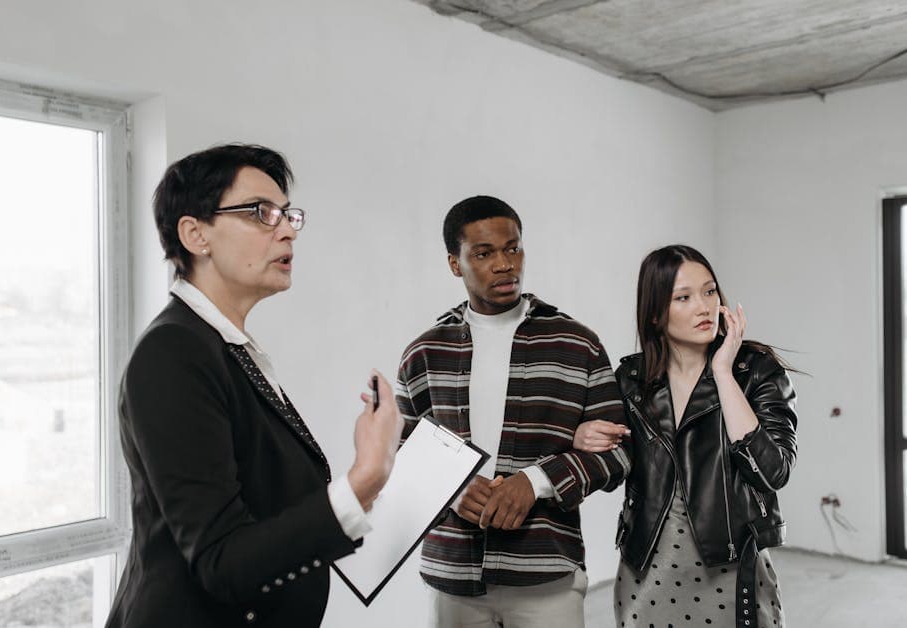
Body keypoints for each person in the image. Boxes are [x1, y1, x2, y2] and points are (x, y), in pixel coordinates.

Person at [105, 144, 402, 628]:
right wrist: (366, 475)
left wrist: (368, 490)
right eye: (261, 213)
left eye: (288, 215)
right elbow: (222, 563)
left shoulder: (225, 346)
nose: (287, 231)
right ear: (195, 234)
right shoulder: (173, 352)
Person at [396, 195, 632, 628]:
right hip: (453, 577)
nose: (505, 264)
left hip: (547, 577)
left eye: (513, 248)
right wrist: (453, 489)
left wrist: (536, 481)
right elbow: (402, 458)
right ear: (455, 263)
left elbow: (618, 453)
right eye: (484, 253)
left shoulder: (576, 344)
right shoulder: (424, 354)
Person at [574, 244, 797, 628]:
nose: (704, 307)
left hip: (731, 566)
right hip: (648, 569)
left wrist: (723, 373)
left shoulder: (756, 371)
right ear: (655, 313)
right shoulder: (631, 380)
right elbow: (613, 471)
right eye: (684, 297)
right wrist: (583, 436)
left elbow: (772, 472)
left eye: (710, 291)